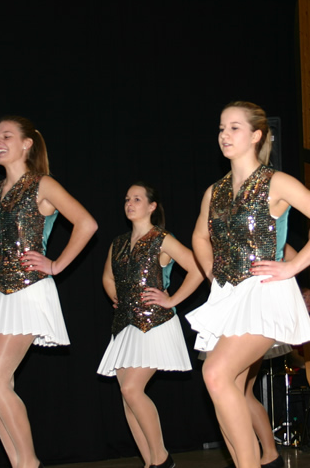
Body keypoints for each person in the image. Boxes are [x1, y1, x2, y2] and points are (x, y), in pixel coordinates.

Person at [187, 101, 310, 468]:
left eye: (234, 128)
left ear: (256, 135)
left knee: (215, 374)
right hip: (229, 296)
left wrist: (294, 267)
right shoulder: (215, 191)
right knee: (228, 386)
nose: (224, 135)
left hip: (265, 292)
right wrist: (212, 273)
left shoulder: (276, 182)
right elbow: (198, 237)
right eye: (221, 128)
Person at [0, 116, 98, 468]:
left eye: (7, 136)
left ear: (26, 144)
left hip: (26, 290)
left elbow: (87, 223)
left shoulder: (42, 184)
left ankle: (30, 463)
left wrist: (56, 264)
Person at [97, 182, 204, 468]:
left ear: (152, 206)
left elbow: (197, 267)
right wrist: (116, 297)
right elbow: (107, 276)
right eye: (127, 199)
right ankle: (150, 462)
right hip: (125, 325)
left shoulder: (161, 238)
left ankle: (161, 458)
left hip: (154, 322)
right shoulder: (118, 243)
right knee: (127, 396)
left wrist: (172, 300)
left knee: (132, 389)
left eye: (137, 199)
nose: (129, 203)